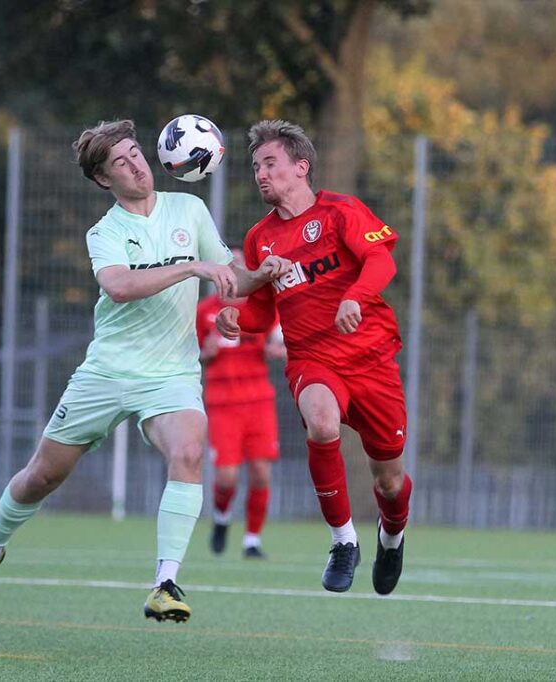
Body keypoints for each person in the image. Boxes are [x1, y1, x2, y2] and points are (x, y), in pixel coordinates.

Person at [0, 119, 289, 624]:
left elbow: (230, 279)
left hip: (171, 375)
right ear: (103, 178)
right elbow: (120, 287)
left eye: (136, 154)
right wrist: (191, 267)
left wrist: (262, 274)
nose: (136, 167)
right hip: (107, 372)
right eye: (121, 163)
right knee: (42, 476)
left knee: (190, 452)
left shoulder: (188, 209)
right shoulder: (104, 232)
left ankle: (165, 584)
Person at [216, 120, 413, 595]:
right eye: (256, 167)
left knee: (389, 481)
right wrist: (235, 318)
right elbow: (262, 310)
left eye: (270, 163)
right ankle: (343, 541)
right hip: (311, 359)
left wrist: (354, 298)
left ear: (301, 167)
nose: (261, 174)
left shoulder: (340, 211)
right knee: (321, 423)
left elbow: (381, 260)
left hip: (371, 359)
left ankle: (391, 537)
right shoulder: (259, 238)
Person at [196, 249, 286, 559]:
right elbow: (190, 355)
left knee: (261, 473)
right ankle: (222, 519)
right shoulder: (205, 311)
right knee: (227, 477)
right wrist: (205, 354)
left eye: (240, 268)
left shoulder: (261, 309)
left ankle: (252, 540)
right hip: (222, 403)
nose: (234, 274)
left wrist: (279, 350)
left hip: (259, 401)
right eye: (229, 267)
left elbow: (283, 342)